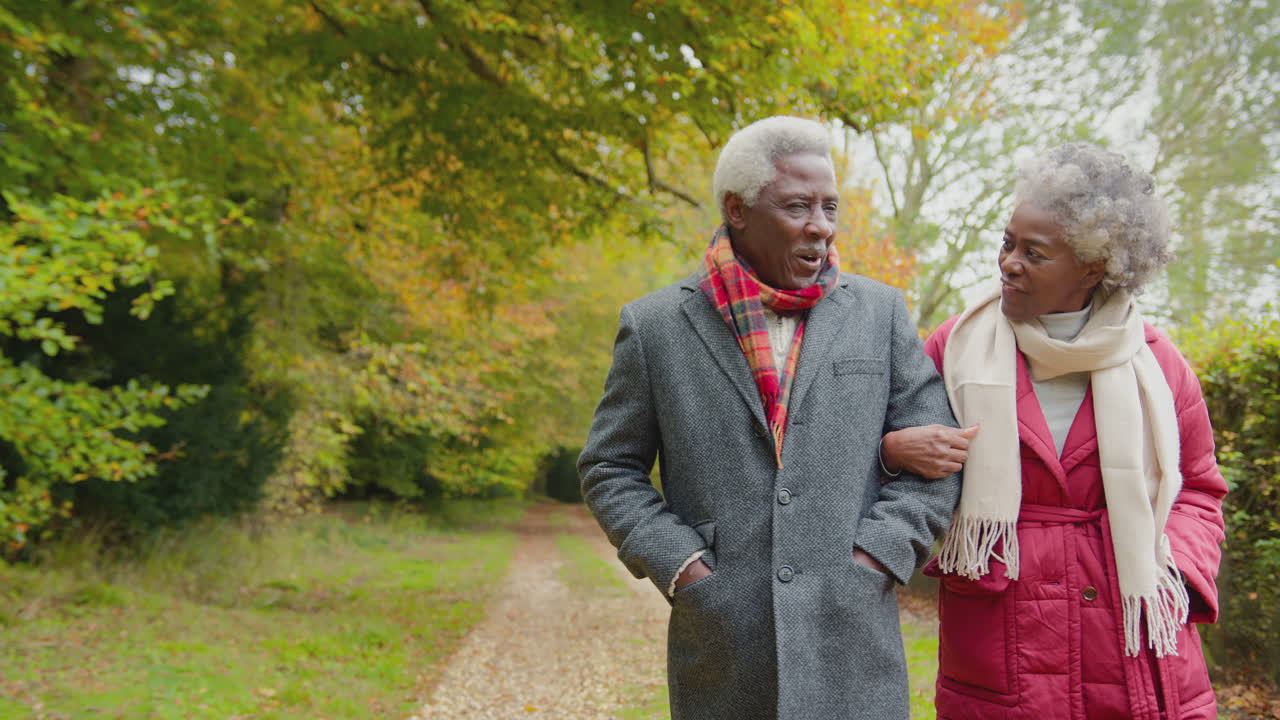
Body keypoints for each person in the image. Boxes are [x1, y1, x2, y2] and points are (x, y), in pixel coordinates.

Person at [578, 116, 970, 720]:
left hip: (853, 639)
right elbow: (610, 466)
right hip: (724, 647)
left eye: (829, 207)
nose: (820, 226)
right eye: (797, 207)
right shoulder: (655, 327)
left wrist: (877, 556)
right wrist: (684, 568)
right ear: (737, 210)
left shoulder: (880, 313)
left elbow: (940, 461)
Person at [884, 142, 1227, 720]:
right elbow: (889, 460)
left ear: (1093, 267)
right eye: (1007, 242)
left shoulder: (1159, 364)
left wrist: (1174, 571)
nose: (1009, 262)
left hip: (1135, 642)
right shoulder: (953, 347)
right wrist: (892, 453)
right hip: (1001, 648)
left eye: (1034, 253)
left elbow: (1199, 489)